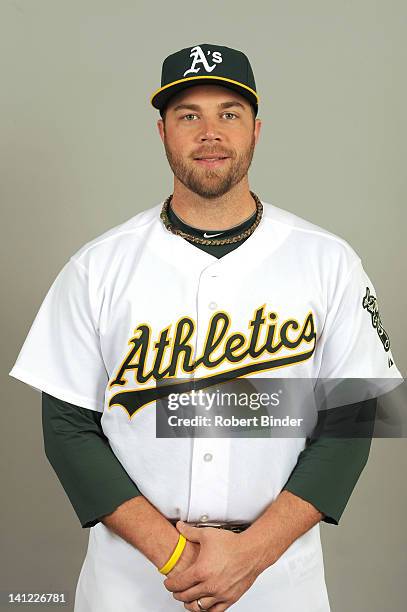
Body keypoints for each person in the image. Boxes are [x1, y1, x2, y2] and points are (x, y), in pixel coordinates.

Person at [9, 43, 404, 612]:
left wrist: (251, 554)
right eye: (188, 115)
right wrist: (174, 557)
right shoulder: (98, 266)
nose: (209, 132)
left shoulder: (328, 261)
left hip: (276, 575)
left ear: (256, 130)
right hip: (134, 577)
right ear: (162, 132)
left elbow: (351, 422)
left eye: (229, 113)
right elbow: (67, 429)